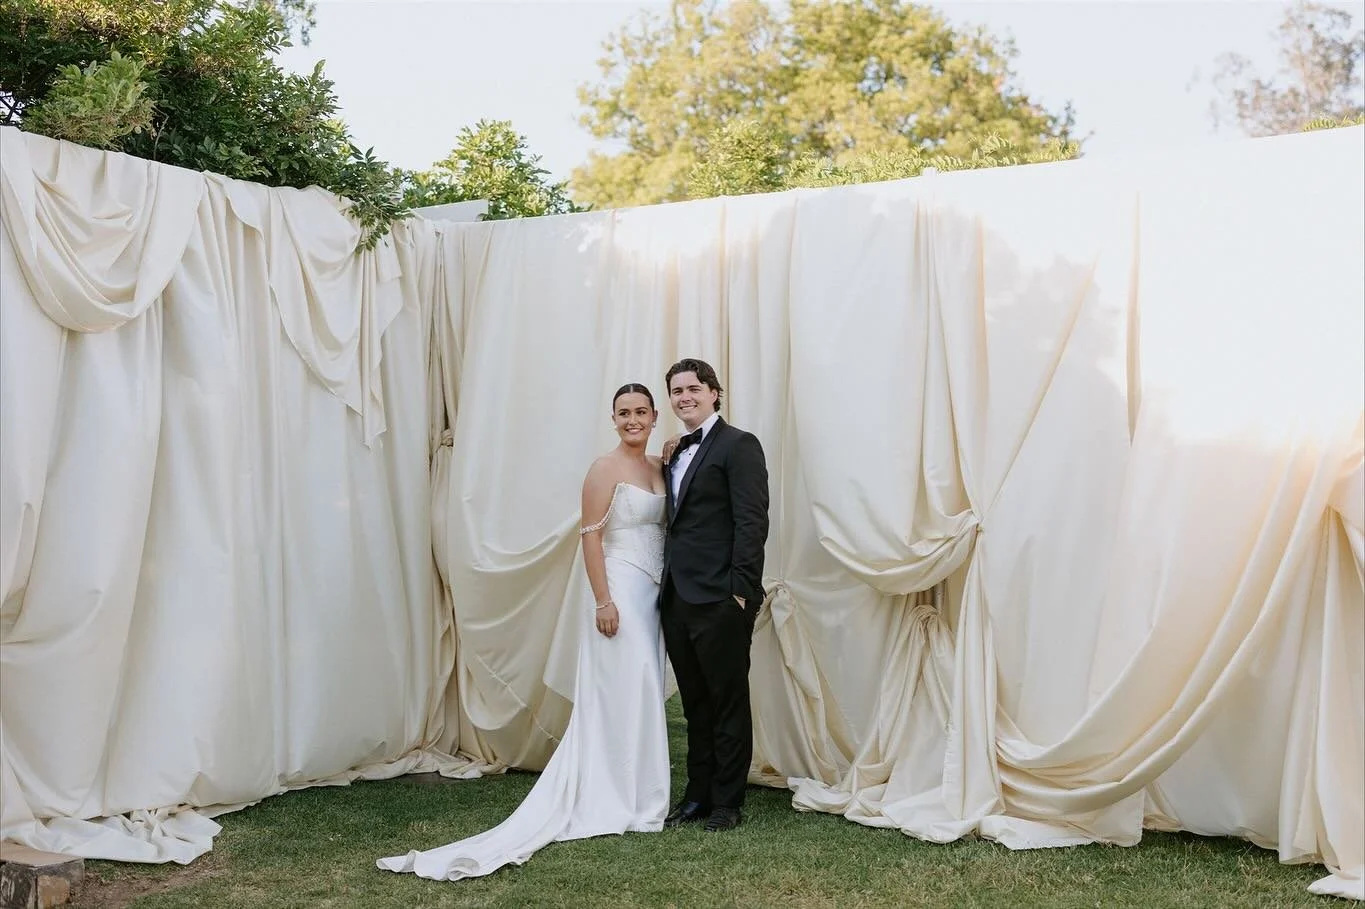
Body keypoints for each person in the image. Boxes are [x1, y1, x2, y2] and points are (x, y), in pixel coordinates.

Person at [377, 384, 670, 881]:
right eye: (624, 413)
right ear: (613, 418)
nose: (633, 419)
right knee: (618, 690)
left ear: (654, 415)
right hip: (617, 589)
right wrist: (603, 600)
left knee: (642, 689)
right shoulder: (604, 469)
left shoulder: (660, 468)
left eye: (641, 411)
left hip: (651, 594)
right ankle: (614, 793)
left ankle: (642, 790)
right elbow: (590, 537)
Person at [658, 358, 770, 833]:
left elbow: (752, 521)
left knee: (727, 701)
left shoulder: (739, 445)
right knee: (694, 704)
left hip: (722, 598)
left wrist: (740, 592)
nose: (684, 396)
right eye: (677, 390)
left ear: (714, 393)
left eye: (693, 388)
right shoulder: (675, 452)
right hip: (677, 598)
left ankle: (726, 801)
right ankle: (696, 795)